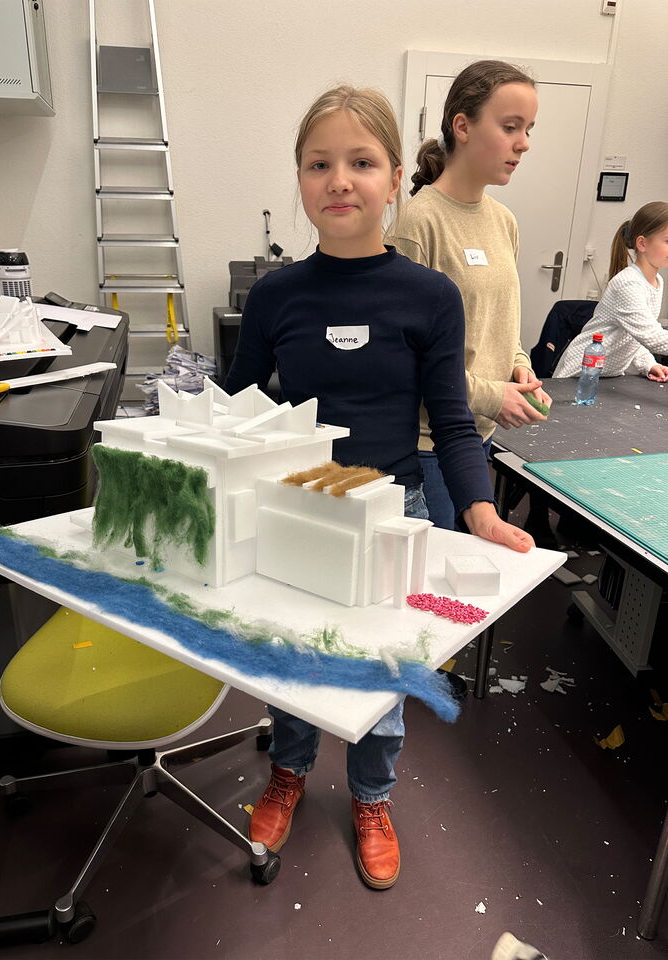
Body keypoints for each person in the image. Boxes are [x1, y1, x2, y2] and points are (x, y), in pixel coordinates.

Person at [223, 84, 534, 891]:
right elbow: (237, 411)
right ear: (300, 179)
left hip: (396, 510)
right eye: (318, 164)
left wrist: (479, 511)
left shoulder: (428, 297)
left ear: (395, 178)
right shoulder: (275, 296)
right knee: (297, 657)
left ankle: (371, 797)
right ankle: (287, 772)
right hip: (300, 510)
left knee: (382, 669)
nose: (339, 180)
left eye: (360, 163)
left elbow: (452, 422)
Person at [386, 60, 552, 531]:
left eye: (528, 129)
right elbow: (402, 359)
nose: (524, 143)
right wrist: (491, 395)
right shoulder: (418, 224)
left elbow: (502, 320)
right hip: (430, 445)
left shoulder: (503, 221)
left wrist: (519, 364)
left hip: (480, 433)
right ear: (462, 126)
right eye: (510, 127)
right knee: (434, 572)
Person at [555, 201, 668, 381]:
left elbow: (633, 335)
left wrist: (648, 364)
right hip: (579, 374)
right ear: (642, 243)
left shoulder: (657, 282)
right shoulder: (628, 283)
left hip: (606, 377)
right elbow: (652, 336)